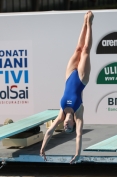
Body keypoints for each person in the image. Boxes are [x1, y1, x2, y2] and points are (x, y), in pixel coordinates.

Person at [40, 11, 93, 164]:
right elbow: (79, 135)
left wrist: (43, 147)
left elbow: (49, 131)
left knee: (77, 49)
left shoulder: (61, 114)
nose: (65, 125)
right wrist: (77, 154)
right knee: (85, 51)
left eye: (64, 127)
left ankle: (84, 22)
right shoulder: (78, 114)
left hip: (69, 76)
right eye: (67, 127)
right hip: (82, 79)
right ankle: (90, 23)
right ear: (73, 124)